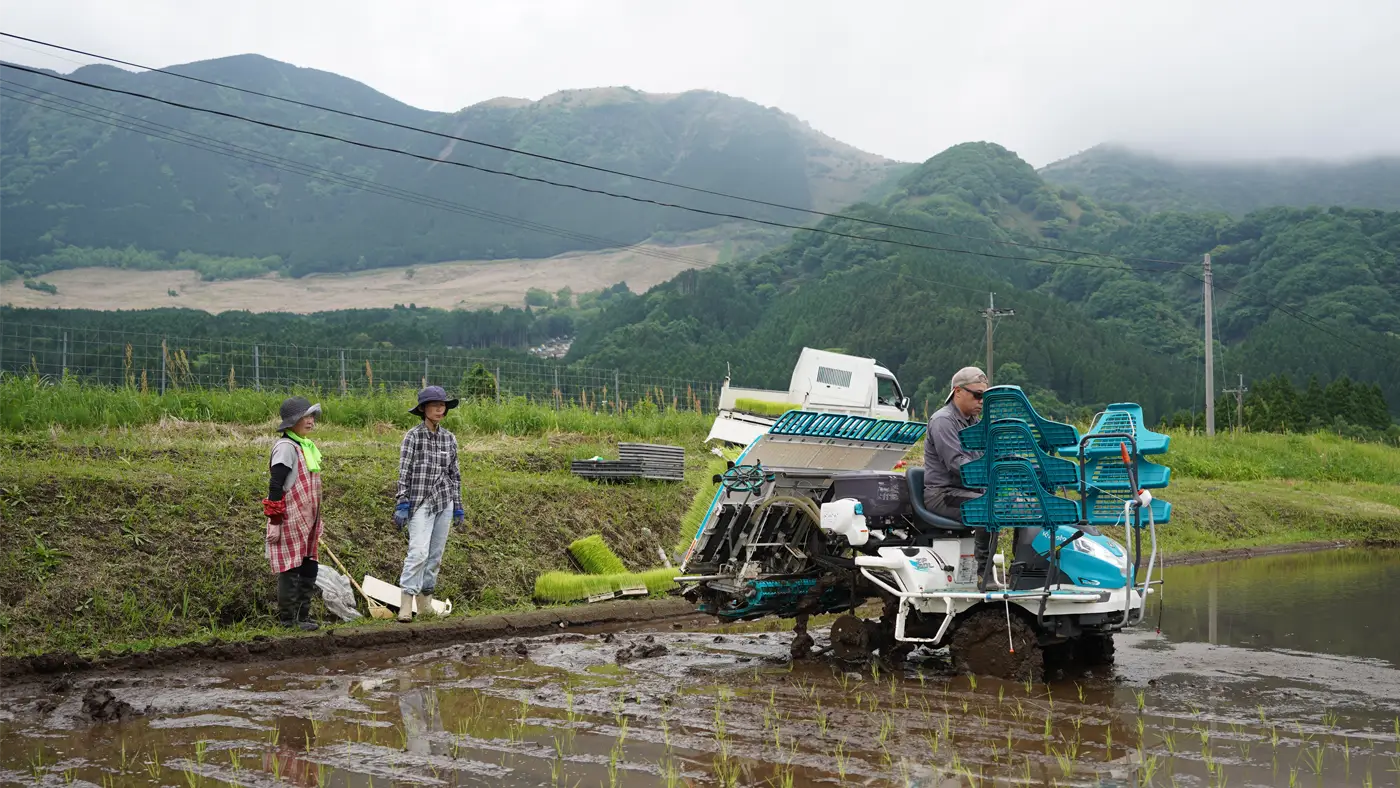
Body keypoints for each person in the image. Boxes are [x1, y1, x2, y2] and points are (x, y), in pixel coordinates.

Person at [392, 385, 464, 622]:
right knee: (418, 553)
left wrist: (458, 505)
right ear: (423, 409)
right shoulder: (413, 436)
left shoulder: (449, 438)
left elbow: (455, 475)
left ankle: (425, 605)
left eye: (442, 405)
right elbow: (404, 471)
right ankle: (406, 604)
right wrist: (402, 501)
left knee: (435, 556)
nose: (439, 409)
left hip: (444, 502)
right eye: (434, 405)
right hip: (420, 502)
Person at [921, 366, 996, 584]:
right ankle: (983, 573)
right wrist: (993, 473)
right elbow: (958, 464)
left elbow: (989, 455)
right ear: (958, 391)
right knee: (987, 507)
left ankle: (1021, 569)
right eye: (978, 395)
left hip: (968, 491)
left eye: (985, 397)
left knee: (1016, 506)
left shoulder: (975, 423)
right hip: (943, 494)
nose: (982, 401)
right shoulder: (943, 421)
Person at [262, 396, 325, 631]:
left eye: (311, 417)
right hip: (289, 516)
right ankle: (288, 620)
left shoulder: (305, 446)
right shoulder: (286, 448)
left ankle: (302, 617)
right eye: (305, 417)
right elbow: (276, 485)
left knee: (309, 564)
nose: (310, 421)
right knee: (291, 567)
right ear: (291, 422)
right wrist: (275, 519)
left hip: (307, 517)